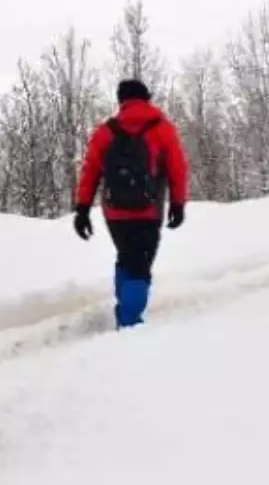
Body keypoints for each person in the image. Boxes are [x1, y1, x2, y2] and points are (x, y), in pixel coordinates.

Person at [72, 79, 188, 329]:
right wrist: (178, 204)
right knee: (140, 265)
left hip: (114, 213)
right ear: (146, 98)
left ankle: (124, 308)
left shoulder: (106, 131)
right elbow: (177, 168)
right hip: (148, 210)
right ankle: (129, 323)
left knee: (126, 256)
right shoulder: (162, 128)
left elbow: (90, 171)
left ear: (121, 101)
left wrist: (82, 209)